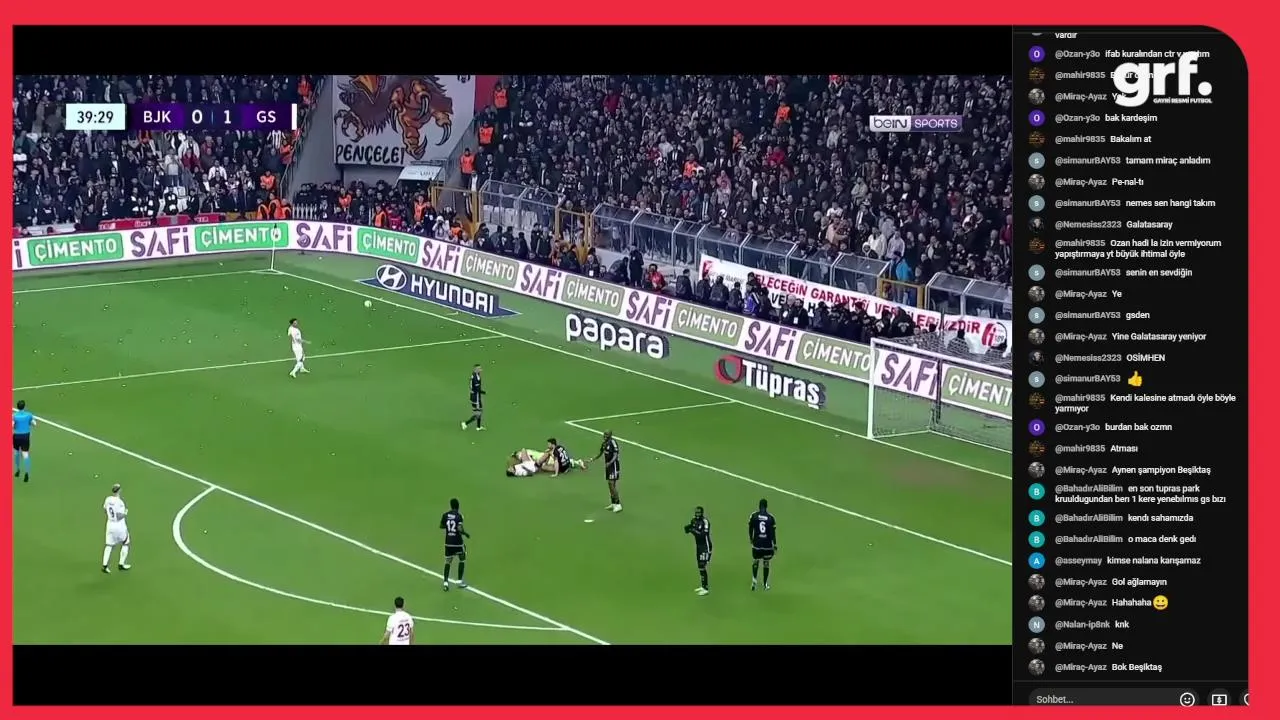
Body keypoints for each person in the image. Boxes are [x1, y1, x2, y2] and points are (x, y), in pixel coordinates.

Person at [440, 498, 471, 591]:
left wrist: (448, 528)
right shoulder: (459, 516)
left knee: (448, 561)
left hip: (448, 542)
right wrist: (465, 534)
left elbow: (441, 526)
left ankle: (445, 582)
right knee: (462, 558)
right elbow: (460, 528)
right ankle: (459, 581)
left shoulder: (445, 515)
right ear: (458, 506)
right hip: (457, 542)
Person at [748, 498, 777, 591]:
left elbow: (750, 527)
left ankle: (754, 580)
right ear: (766, 506)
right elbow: (772, 533)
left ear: (759, 506)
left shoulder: (754, 515)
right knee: (766, 563)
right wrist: (774, 544)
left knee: (756, 561)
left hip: (757, 543)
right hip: (767, 545)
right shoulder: (771, 518)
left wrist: (751, 538)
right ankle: (765, 584)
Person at [102, 483, 131, 573]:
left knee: (109, 545)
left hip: (110, 525)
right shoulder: (120, 502)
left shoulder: (108, 499)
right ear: (119, 490)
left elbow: (105, 509)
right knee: (126, 542)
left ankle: (105, 565)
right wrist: (125, 513)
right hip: (119, 526)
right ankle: (121, 564)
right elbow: (119, 516)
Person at [684, 506, 713, 596]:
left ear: (702, 513)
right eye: (696, 512)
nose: (697, 514)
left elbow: (702, 535)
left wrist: (692, 530)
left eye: (699, 513)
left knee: (702, 566)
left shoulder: (705, 522)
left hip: (705, 546)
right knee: (700, 566)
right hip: (698, 547)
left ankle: (705, 588)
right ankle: (703, 586)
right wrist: (688, 528)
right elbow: (689, 529)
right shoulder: (694, 520)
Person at [592, 430, 622, 513]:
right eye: (604, 434)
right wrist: (592, 459)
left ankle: (618, 504)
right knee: (610, 485)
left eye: (607, 435)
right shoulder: (604, 443)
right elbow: (600, 453)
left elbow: (615, 455)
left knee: (612, 484)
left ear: (610, 435)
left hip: (614, 466)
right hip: (608, 466)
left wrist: (610, 463)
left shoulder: (613, 442)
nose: (605, 436)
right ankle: (613, 503)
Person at [13, 399, 35, 483]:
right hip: (25, 436)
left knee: (16, 453)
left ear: (17, 407)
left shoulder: (14, 415)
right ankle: (27, 473)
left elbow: (12, 425)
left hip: (16, 436)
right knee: (25, 454)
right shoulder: (29, 415)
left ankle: (18, 470)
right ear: (24, 407)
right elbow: (34, 424)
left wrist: (16, 426)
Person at [461, 364, 485, 430]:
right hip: (475, 397)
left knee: (479, 411)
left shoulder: (476, 375)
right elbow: (477, 389)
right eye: (479, 368)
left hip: (475, 396)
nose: (481, 370)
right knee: (478, 413)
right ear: (475, 369)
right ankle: (465, 423)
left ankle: (478, 427)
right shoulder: (475, 377)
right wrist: (483, 392)